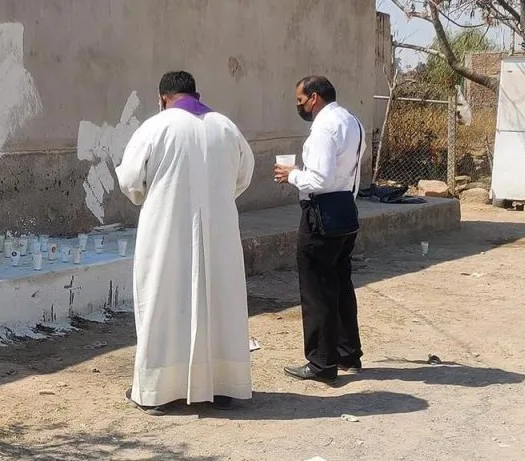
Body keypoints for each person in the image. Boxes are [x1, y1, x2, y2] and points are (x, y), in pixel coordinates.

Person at [116, 71, 255, 415]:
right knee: (219, 303)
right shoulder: (226, 126)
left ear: (162, 97)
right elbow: (244, 175)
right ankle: (223, 386)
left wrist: (156, 194)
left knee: (163, 303)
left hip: (166, 230)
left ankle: (157, 392)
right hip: (219, 230)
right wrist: (216, 198)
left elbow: (132, 180)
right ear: (197, 92)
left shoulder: (156, 126)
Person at [273, 75, 366, 384]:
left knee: (317, 289)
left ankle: (321, 363)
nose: (299, 107)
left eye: (300, 101)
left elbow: (320, 179)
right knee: (339, 284)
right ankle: (347, 353)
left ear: (314, 98)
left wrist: (293, 175)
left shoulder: (324, 129)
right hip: (345, 211)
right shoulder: (352, 121)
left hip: (320, 213)